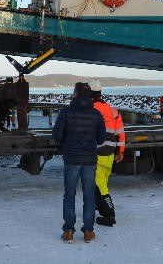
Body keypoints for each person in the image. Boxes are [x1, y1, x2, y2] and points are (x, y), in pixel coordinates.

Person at [52, 82, 106, 243]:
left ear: (75, 93)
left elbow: (57, 136)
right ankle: (88, 231)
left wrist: (67, 141)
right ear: (89, 95)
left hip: (72, 159)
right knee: (89, 196)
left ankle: (68, 231)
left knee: (69, 195)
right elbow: (101, 139)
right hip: (89, 160)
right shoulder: (96, 114)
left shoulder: (66, 113)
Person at [89, 79, 125, 227]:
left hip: (96, 152)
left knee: (100, 186)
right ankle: (98, 205)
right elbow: (120, 133)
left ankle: (109, 215)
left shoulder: (90, 109)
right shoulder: (113, 110)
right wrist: (120, 151)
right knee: (102, 182)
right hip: (109, 153)